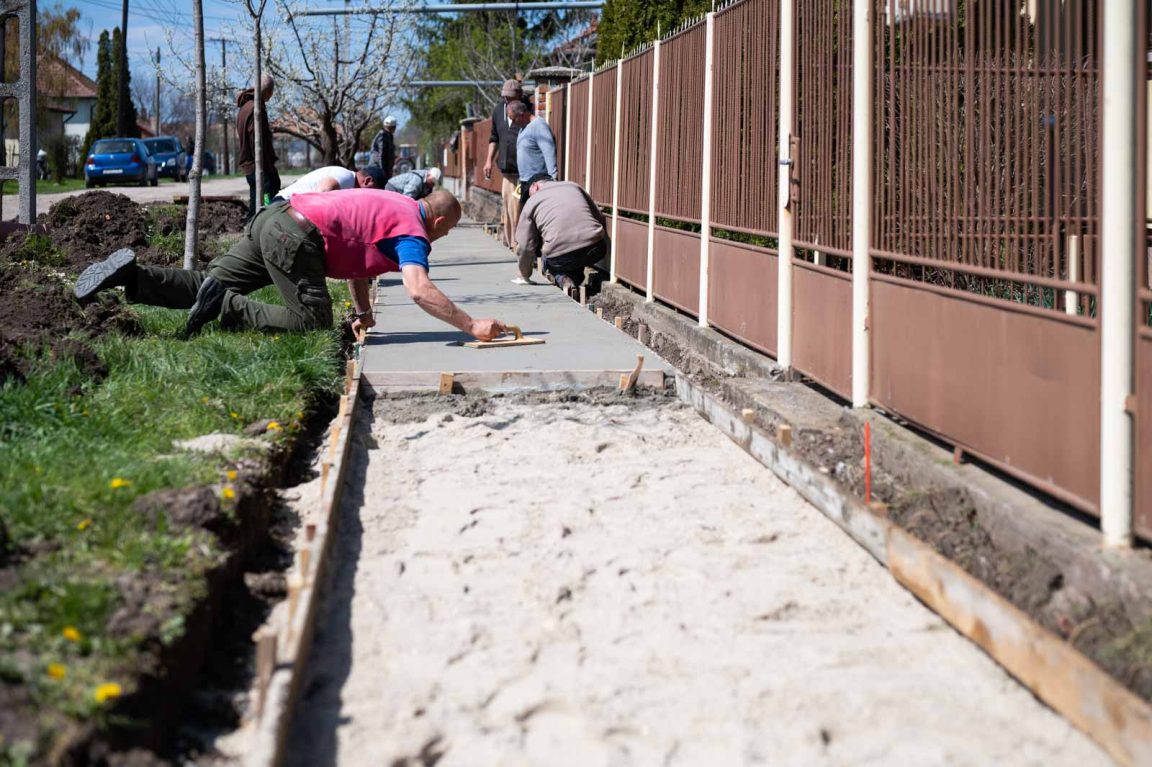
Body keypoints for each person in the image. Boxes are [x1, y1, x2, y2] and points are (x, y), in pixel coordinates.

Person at [73, 189, 507, 343]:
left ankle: (131, 277)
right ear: (442, 220)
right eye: (446, 233)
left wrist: (364, 314)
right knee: (311, 322)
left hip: (275, 218)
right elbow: (418, 289)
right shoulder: (413, 229)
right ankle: (227, 307)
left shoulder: (395, 204)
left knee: (204, 284)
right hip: (296, 238)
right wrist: (470, 325)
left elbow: (360, 263)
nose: (441, 239)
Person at [515, 179, 608, 292]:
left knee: (549, 257)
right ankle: (572, 279)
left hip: (561, 256)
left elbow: (525, 245)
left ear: (535, 186)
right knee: (575, 258)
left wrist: (525, 274)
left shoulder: (531, 202)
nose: (529, 198)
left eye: (529, 195)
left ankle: (563, 278)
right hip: (596, 248)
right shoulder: (573, 185)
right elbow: (598, 216)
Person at [484, 79, 530, 249]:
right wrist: (488, 160)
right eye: (505, 97)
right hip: (506, 170)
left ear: (519, 94)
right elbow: (494, 137)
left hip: (522, 171)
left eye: (510, 97)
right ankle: (511, 242)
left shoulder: (526, 110)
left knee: (518, 209)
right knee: (508, 210)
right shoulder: (498, 110)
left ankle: (518, 245)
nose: (507, 100)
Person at [236, 74, 280, 220]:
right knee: (267, 196)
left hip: (249, 164)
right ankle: (263, 222)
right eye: (271, 92)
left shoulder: (244, 107)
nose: (271, 96)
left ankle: (252, 223)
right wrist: (267, 165)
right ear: (268, 91)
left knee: (256, 199)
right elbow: (258, 141)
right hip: (258, 165)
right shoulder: (256, 109)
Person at [507, 100, 556, 207]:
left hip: (538, 184)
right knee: (525, 216)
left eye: (514, 119)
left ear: (522, 114)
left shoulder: (539, 126)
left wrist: (553, 181)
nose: (513, 123)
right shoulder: (523, 128)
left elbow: (549, 152)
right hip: (525, 182)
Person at [274, 164, 387, 201]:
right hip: (282, 205)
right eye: (373, 192)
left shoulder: (347, 180)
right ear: (367, 181)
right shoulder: (346, 177)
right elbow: (321, 195)